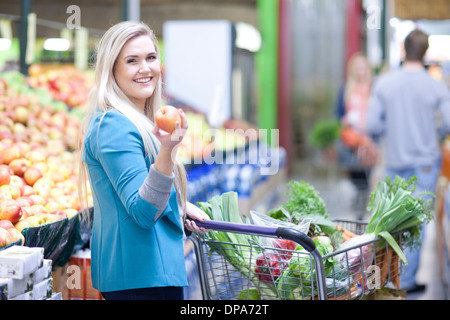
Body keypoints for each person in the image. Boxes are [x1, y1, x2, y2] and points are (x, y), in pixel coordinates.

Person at [77, 21, 210, 300]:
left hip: (148, 274)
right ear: (112, 70)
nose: (145, 68)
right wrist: (167, 150)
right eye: (132, 61)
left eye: (150, 57)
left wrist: (179, 205)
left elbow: (142, 189)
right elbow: (142, 211)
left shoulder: (137, 121)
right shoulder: (113, 126)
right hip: (140, 280)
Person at [366, 28, 450, 293]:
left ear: (403, 50)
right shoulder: (435, 85)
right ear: (425, 53)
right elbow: (448, 122)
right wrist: (434, 134)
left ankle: (389, 278)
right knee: (417, 222)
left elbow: (371, 125)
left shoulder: (385, 83)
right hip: (425, 163)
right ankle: (409, 280)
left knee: (390, 221)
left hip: (394, 161)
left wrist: (390, 131)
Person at [335, 52, 376, 215]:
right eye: (357, 68)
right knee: (355, 171)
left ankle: (362, 199)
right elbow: (337, 114)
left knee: (367, 172)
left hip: (369, 139)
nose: (360, 71)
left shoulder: (374, 89)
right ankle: (360, 195)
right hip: (350, 139)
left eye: (363, 67)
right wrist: (345, 121)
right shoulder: (345, 89)